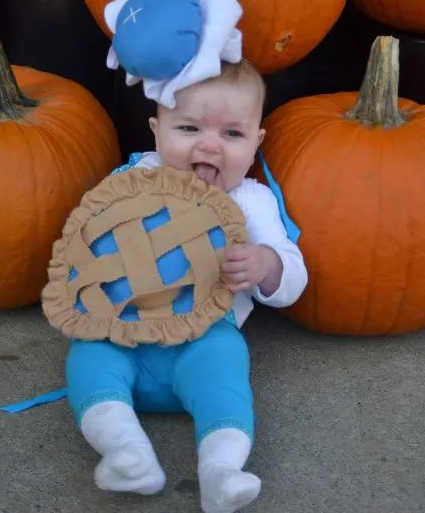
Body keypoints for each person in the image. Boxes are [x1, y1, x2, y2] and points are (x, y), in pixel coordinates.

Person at [65, 57, 309, 513]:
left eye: (232, 135)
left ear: (256, 143)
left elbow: (293, 278)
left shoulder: (251, 202)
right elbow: (88, 248)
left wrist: (265, 265)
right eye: (190, 129)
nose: (210, 147)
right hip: (125, 329)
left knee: (226, 373)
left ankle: (220, 470)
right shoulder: (129, 183)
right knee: (88, 355)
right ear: (157, 130)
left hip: (204, 336)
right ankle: (125, 451)